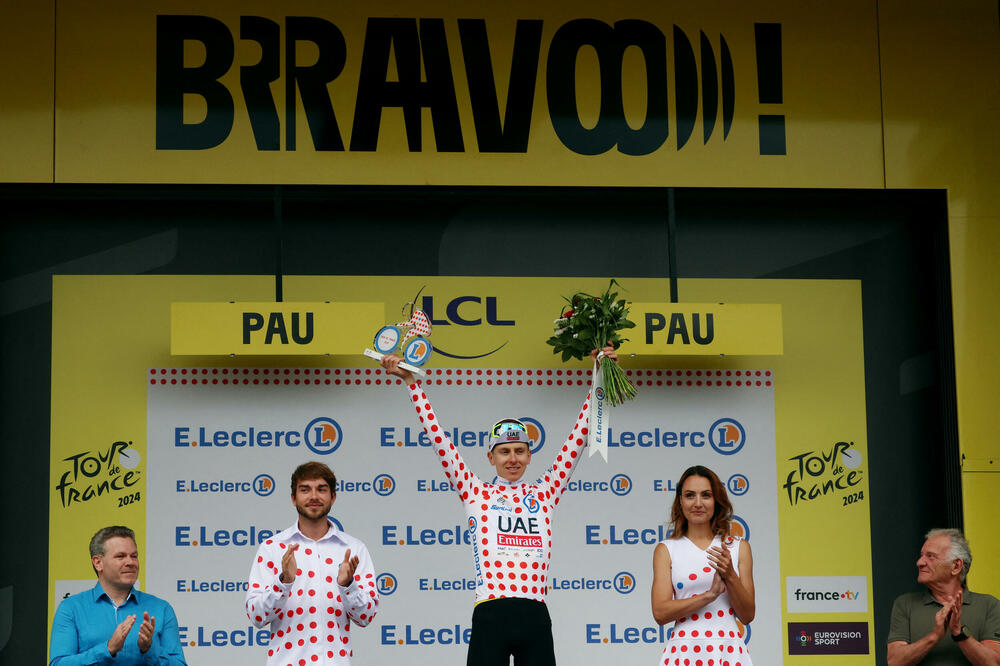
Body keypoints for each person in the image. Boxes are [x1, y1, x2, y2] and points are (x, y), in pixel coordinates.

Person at [380, 346, 615, 666]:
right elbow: (440, 441)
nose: (513, 458)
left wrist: (600, 375)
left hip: (534, 611)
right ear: (491, 457)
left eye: (520, 450)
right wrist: (412, 384)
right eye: (504, 451)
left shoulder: (545, 492)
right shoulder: (475, 491)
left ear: (530, 455)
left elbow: (579, 436)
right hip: (491, 611)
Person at [245, 461, 379, 665]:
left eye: (322, 489)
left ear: (333, 497)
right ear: (293, 498)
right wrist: (283, 582)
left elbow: (366, 617)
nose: (314, 496)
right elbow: (256, 616)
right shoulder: (272, 548)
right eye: (305, 490)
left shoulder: (353, 549)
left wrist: (347, 586)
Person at [650, 465, 754, 666]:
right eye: (690, 495)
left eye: (706, 495)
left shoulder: (739, 547)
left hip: (728, 651)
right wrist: (709, 595)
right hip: (684, 651)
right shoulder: (666, 549)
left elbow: (748, 615)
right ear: (680, 501)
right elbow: (660, 613)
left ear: (717, 500)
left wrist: (730, 575)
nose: (698, 503)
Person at [49, 525, 187, 665]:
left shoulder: (161, 609)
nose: (130, 562)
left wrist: (150, 649)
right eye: (120, 556)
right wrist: (107, 649)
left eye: (134, 556)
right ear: (98, 563)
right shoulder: (71, 608)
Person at [887, 528, 1000, 665]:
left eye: (930, 556)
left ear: (956, 566)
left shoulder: (989, 605)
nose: (920, 562)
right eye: (922, 555)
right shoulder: (905, 603)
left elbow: (993, 663)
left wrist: (959, 633)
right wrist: (934, 636)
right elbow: (894, 662)